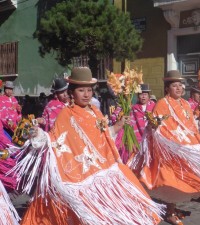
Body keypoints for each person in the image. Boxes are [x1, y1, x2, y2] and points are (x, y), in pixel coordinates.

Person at [13, 67, 163, 225]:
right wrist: (37, 134)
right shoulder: (66, 114)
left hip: (103, 168)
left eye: (89, 90)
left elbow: (102, 136)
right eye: (81, 90)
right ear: (72, 92)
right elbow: (54, 139)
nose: (86, 94)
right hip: (80, 172)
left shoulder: (95, 112)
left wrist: (118, 126)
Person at [129, 70, 200, 225]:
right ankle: (170, 212)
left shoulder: (184, 104)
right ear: (167, 88)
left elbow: (190, 124)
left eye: (180, 85)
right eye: (174, 86)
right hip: (172, 148)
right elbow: (156, 126)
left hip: (188, 146)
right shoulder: (162, 103)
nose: (178, 88)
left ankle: (174, 208)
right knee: (173, 180)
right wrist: (163, 134)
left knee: (184, 178)